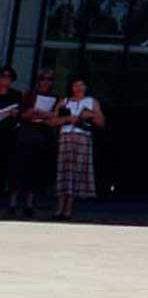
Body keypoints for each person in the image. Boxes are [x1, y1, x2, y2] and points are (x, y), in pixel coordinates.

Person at [51, 76, 105, 220]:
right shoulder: (64, 101)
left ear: (86, 87)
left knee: (77, 171)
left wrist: (91, 116)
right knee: (64, 170)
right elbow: (52, 120)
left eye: (81, 85)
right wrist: (67, 119)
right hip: (66, 137)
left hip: (82, 137)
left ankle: (68, 208)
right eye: (76, 85)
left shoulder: (91, 102)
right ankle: (59, 207)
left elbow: (101, 123)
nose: (78, 88)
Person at [7, 70, 57, 217]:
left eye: (49, 79)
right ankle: (13, 203)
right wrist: (34, 113)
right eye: (43, 79)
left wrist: (42, 114)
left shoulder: (54, 98)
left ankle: (29, 204)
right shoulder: (29, 95)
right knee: (19, 168)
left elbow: (54, 116)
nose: (46, 82)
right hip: (26, 134)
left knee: (35, 170)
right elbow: (23, 114)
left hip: (42, 134)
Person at [0, 66, 23, 215]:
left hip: (8, 134)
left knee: (4, 168)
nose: (5, 79)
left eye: (9, 76)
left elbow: (20, 112)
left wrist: (14, 114)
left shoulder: (16, 95)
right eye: (3, 76)